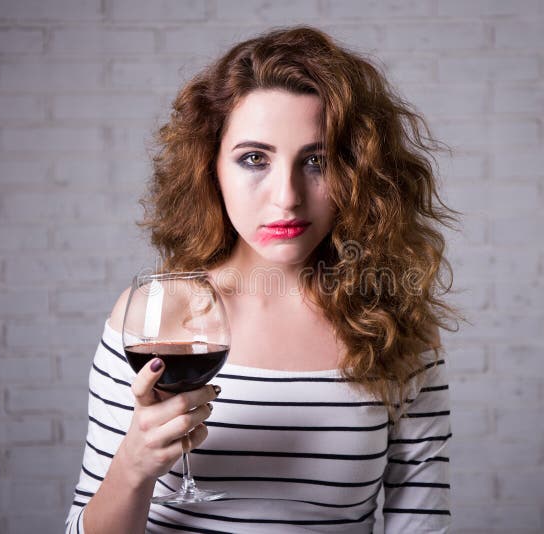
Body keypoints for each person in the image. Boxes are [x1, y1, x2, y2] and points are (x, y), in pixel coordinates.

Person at [66, 26, 457, 534]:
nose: (287, 197)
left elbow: (421, 525)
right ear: (211, 168)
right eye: (255, 159)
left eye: (317, 161)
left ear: (360, 173)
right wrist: (134, 465)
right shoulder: (153, 317)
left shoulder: (398, 327)